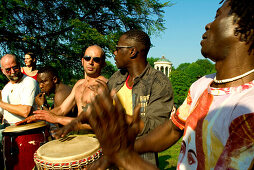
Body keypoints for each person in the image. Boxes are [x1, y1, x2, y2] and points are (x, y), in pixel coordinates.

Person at [56, 0, 254, 169]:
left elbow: (154, 124)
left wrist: (127, 154)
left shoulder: (249, 107)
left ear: (245, 28)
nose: (208, 25)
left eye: (218, 15)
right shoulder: (201, 85)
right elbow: (171, 129)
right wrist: (124, 150)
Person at [16, 45, 107, 127]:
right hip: (79, 134)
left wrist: (57, 119)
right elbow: (62, 109)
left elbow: (94, 124)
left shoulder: (102, 86)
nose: (90, 62)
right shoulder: (79, 84)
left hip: (94, 138)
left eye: (96, 59)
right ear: (82, 61)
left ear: (103, 63)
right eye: (87, 58)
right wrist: (36, 117)